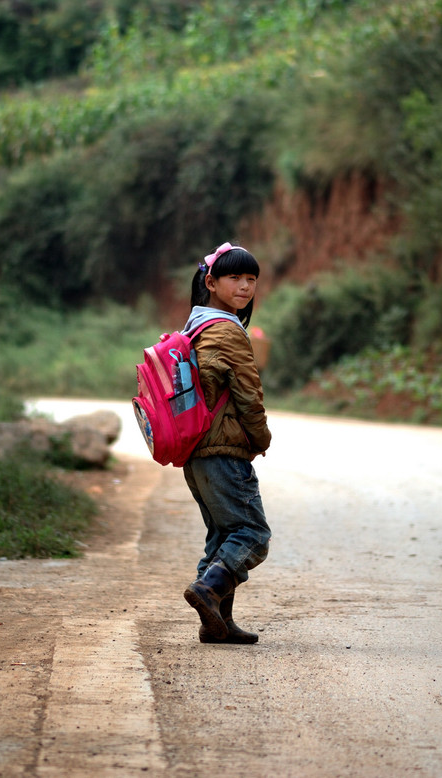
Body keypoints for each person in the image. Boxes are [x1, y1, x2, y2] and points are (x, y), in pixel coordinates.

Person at [182, 241, 272, 644]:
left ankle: (216, 624)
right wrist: (261, 438)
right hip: (223, 452)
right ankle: (208, 590)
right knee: (252, 533)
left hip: (196, 451)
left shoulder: (196, 324)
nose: (245, 286)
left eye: (251, 278)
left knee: (221, 536)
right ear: (211, 281)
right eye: (235, 277)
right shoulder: (225, 330)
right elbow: (249, 395)